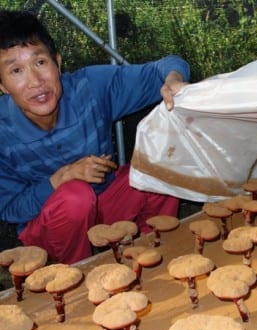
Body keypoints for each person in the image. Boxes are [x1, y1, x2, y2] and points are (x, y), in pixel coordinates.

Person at [0, 10, 190, 264]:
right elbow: (12, 209)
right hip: (49, 227)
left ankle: (152, 256)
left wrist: (174, 80)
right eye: (16, 71)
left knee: (160, 165)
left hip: (106, 202)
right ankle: (72, 279)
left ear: (57, 62)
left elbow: (164, 67)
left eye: (40, 62)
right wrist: (62, 178)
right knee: (75, 196)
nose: (35, 81)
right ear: (2, 85)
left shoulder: (90, 88)